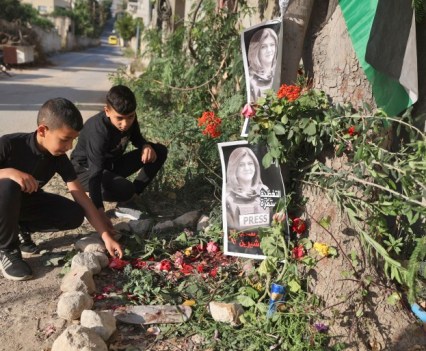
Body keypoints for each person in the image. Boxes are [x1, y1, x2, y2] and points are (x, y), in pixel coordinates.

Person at [0, 98, 123, 281]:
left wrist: (104, 235)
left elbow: (80, 195)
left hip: (19, 206)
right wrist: (9, 172)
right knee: (9, 184)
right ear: (43, 130)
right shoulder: (9, 144)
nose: (69, 147)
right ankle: (7, 249)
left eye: (73, 140)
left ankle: (19, 228)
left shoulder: (58, 158)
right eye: (65, 139)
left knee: (73, 214)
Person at [70, 85, 168, 220]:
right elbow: (95, 173)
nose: (125, 123)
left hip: (110, 166)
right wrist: (98, 210)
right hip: (85, 172)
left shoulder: (129, 116)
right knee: (125, 188)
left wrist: (144, 145)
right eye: (120, 118)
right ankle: (91, 199)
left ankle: (129, 200)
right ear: (107, 111)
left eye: (130, 117)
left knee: (158, 151)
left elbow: (136, 138)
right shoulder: (98, 130)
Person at [225, 147, 270, 232]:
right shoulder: (228, 197)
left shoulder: (264, 190)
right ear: (234, 168)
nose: (247, 168)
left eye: (250, 163)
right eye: (241, 165)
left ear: (256, 166)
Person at [247, 27, 278, 103]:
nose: (269, 50)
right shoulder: (252, 80)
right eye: (263, 47)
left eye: (272, 45)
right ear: (256, 50)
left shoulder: (281, 70)